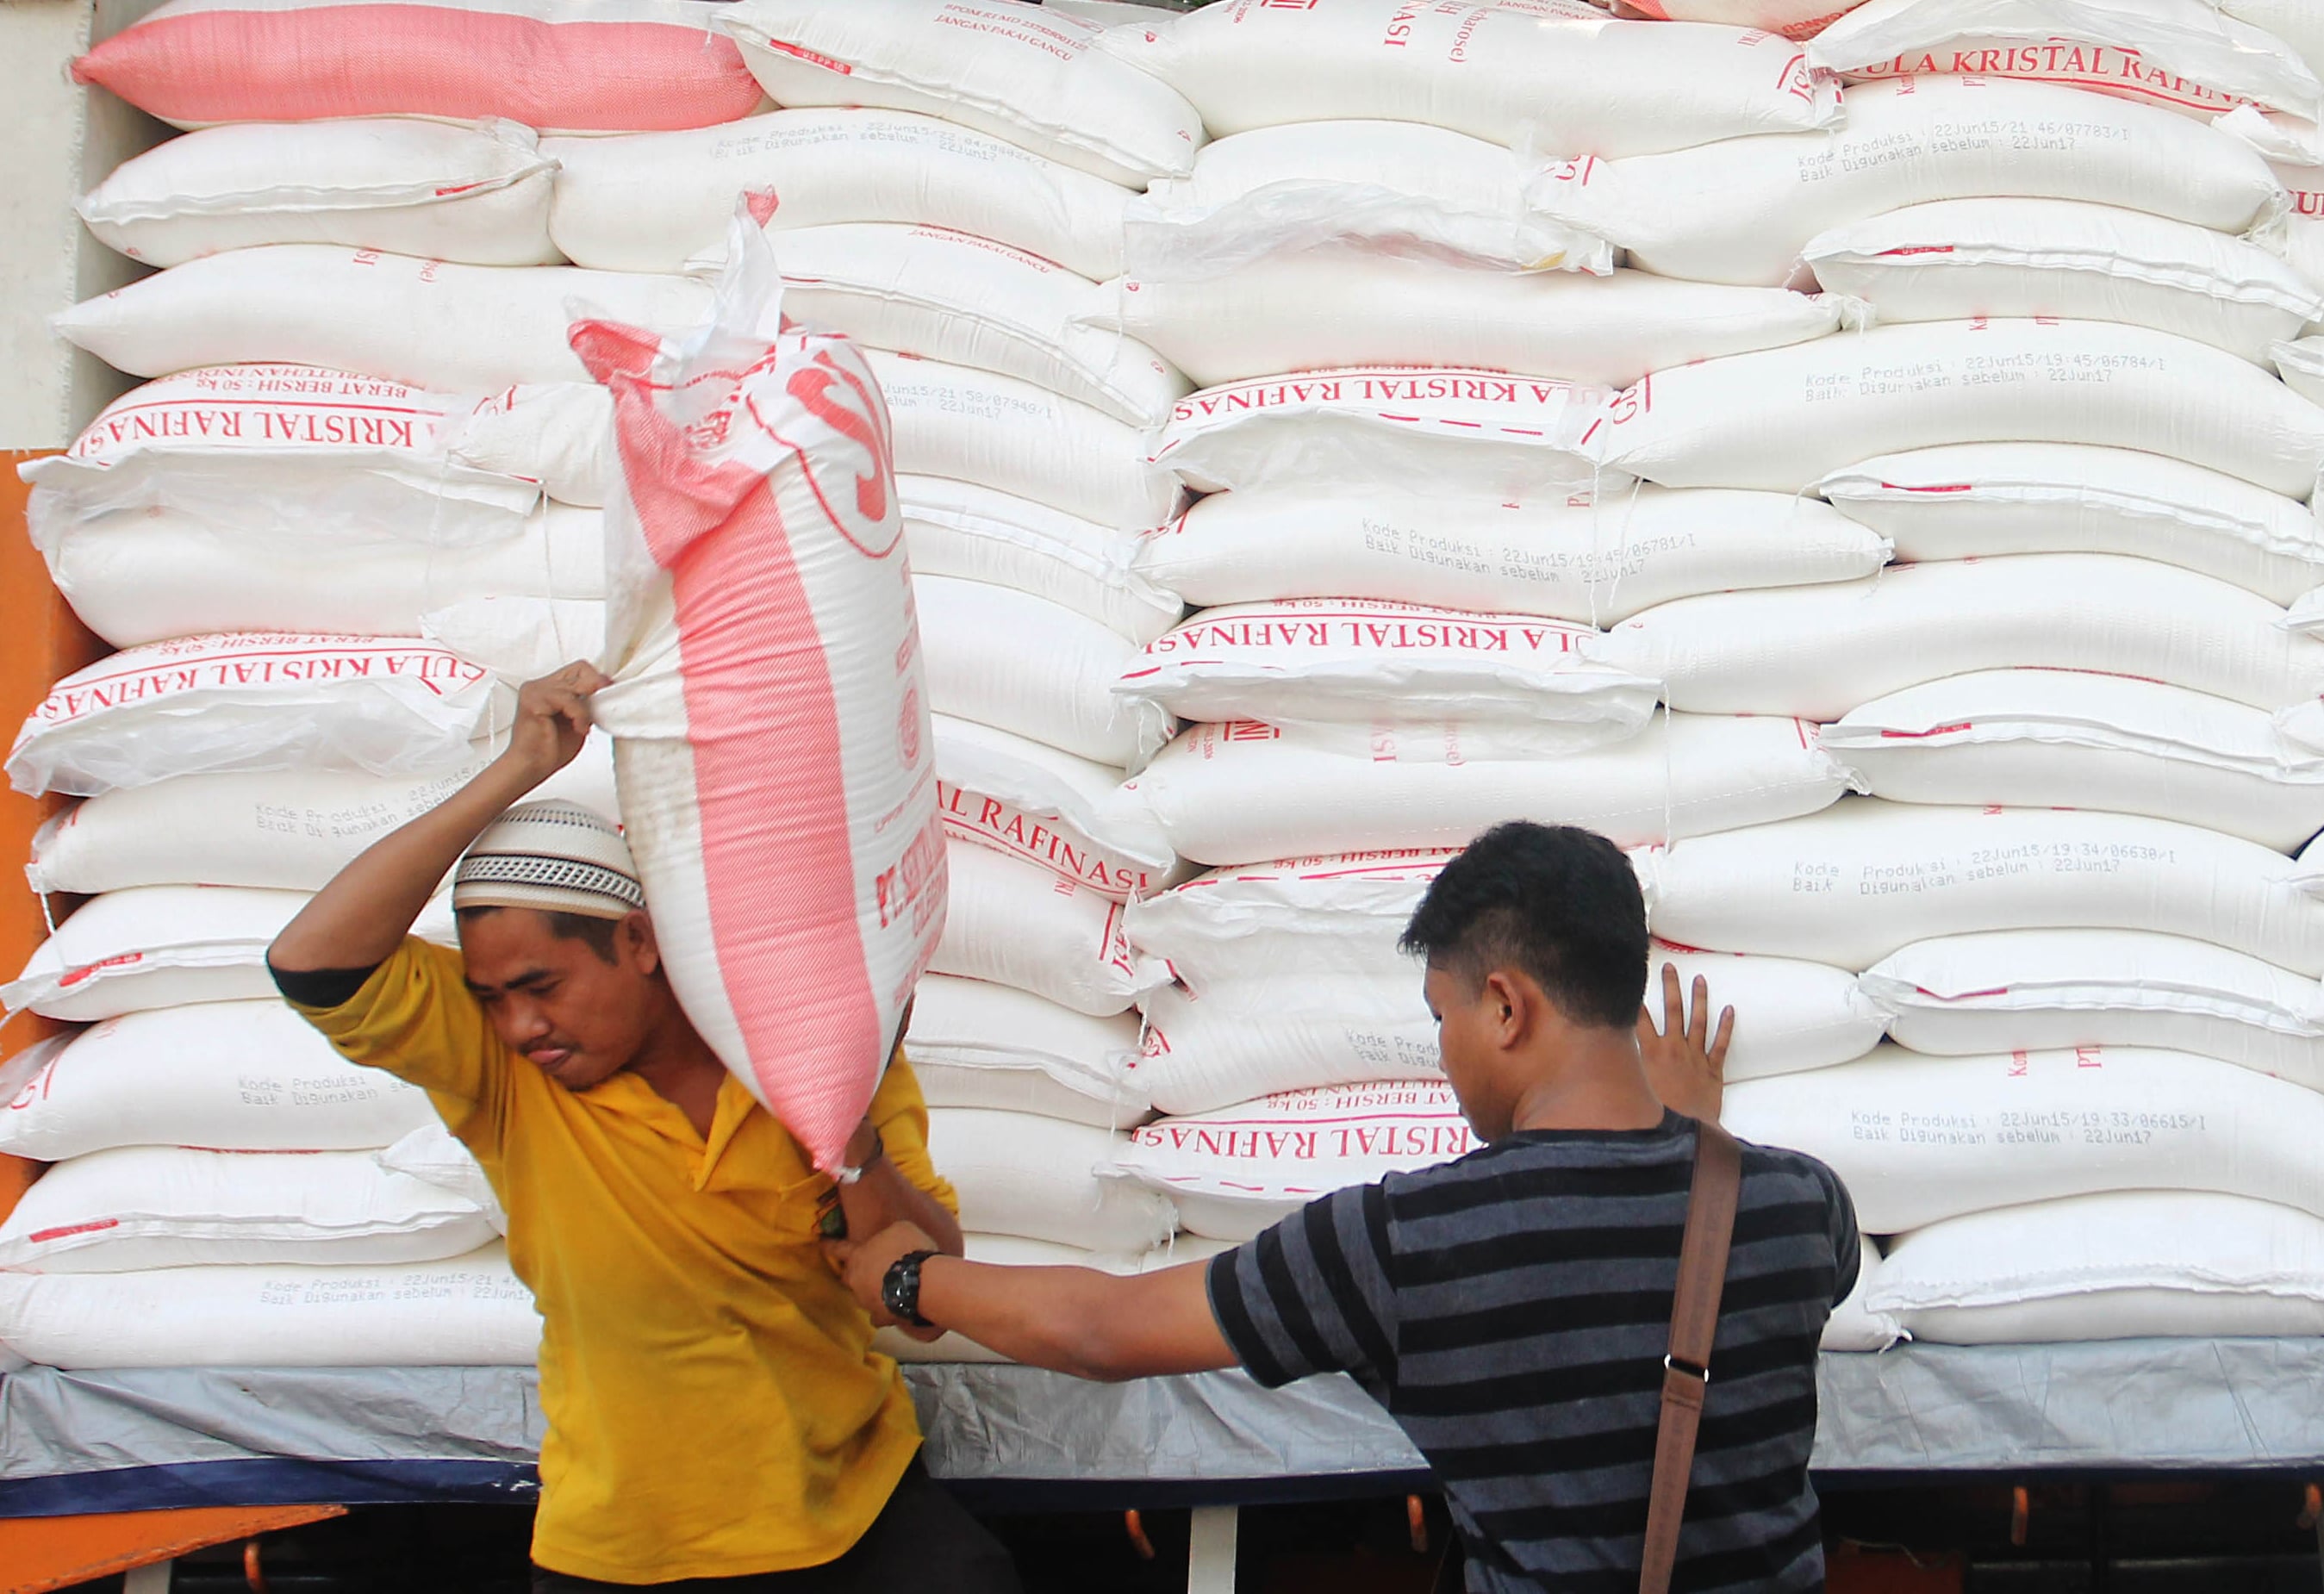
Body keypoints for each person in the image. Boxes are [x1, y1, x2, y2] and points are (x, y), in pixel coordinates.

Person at [834, 820, 1859, 1593]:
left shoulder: (1407, 1243)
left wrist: (908, 1275)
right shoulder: (1793, 1206)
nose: (1446, 1054)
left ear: (1507, 1007)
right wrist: (1694, 1137)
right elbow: (1699, 1260)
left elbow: (1105, 1328)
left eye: (1443, 1016)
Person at [268, 663, 1020, 1594]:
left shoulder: (814, 1056)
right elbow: (311, 962)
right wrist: (516, 770)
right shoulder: (502, 1079)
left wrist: (848, 1129)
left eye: (541, 987)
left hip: (852, 1512)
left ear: (640, 941)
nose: (518, 1025)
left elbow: (923, 1284)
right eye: (492, 998)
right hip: (626, 1548)